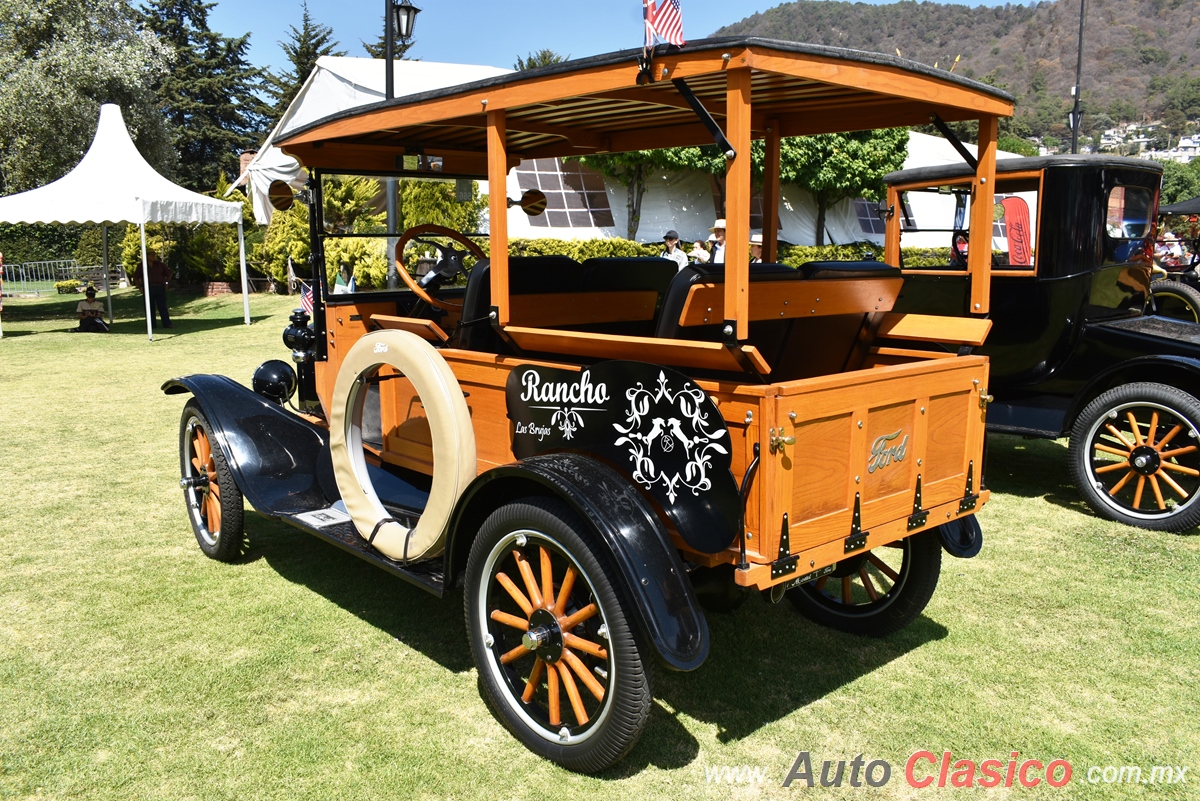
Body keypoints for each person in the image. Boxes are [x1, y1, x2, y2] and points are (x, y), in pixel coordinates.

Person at [134, 248, 173, 328]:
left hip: (160, 287)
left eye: (154, 254)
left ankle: (167, 323)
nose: (153, 256)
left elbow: (169, 274)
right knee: (149, 307)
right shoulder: (141, 266)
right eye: (151, 255)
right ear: (147, 256)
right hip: (148, 288)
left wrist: (166, 283)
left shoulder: (160, 264)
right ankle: (151, 324)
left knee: (162, 306)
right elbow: (136, 277)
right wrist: (140, 286)